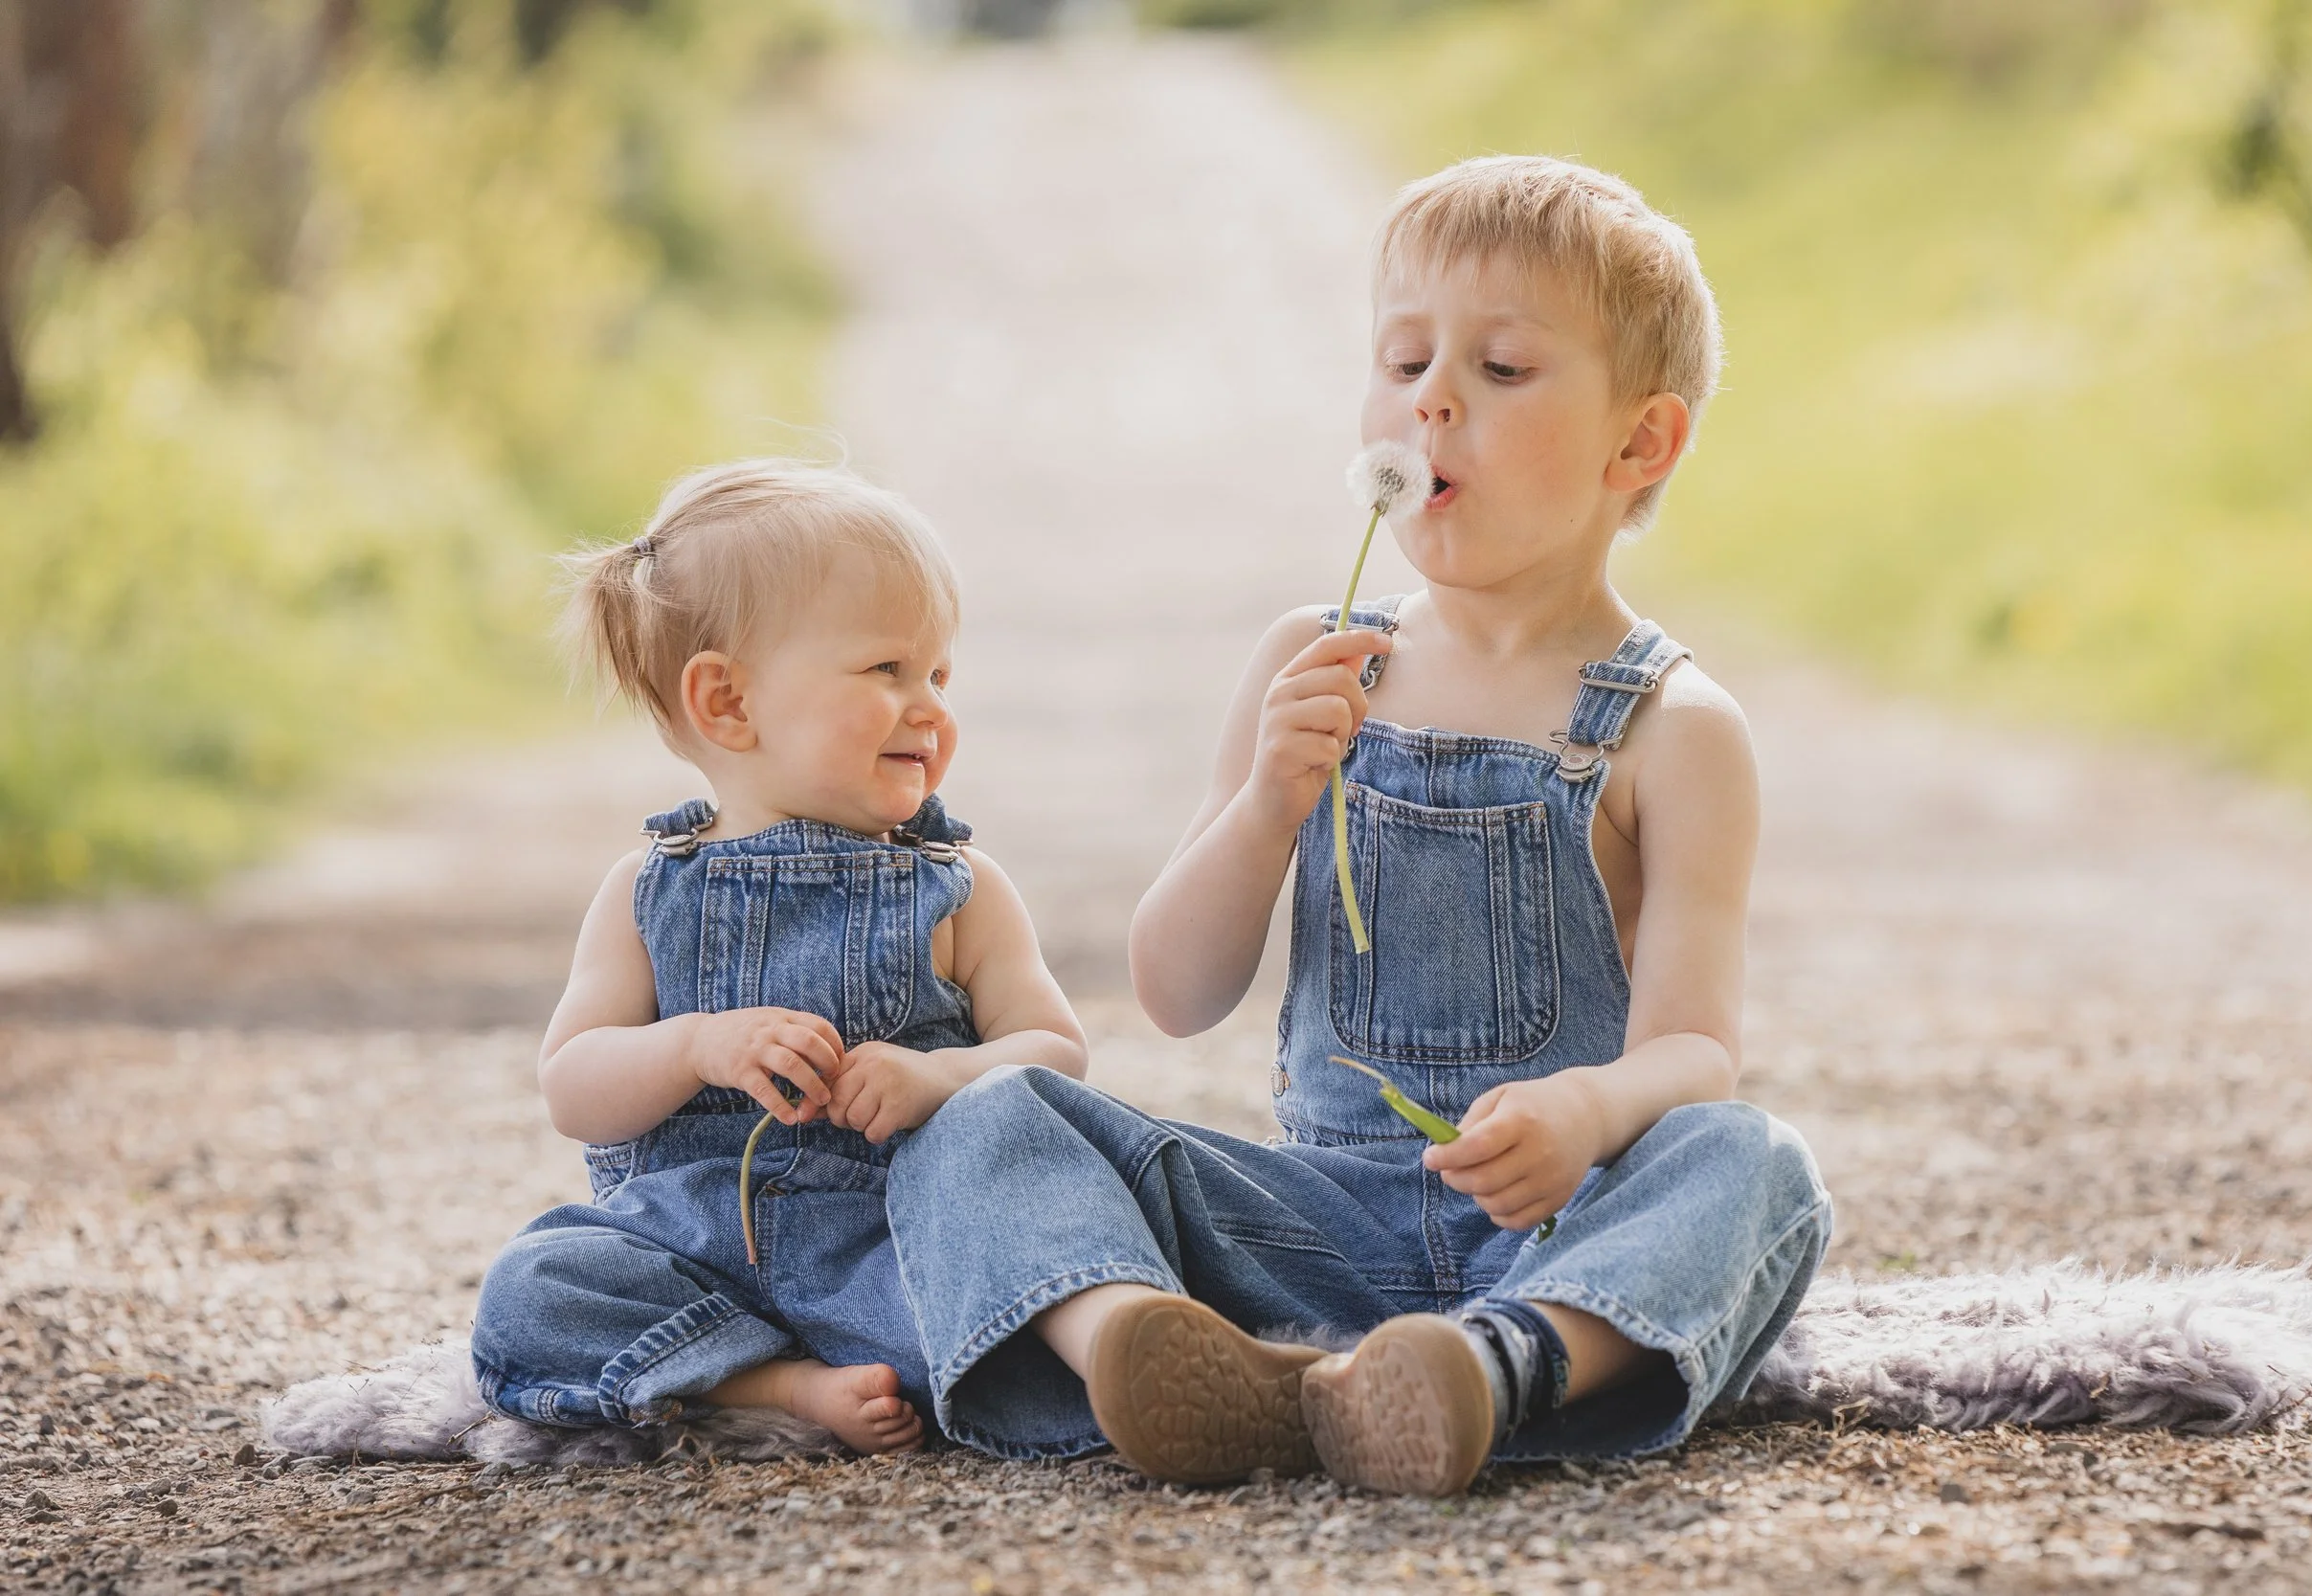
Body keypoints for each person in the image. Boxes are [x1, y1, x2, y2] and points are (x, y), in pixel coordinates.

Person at [884, 156, 1831, 1494]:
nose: (1431, 395)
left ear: (1641, 444)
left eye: (1501, 370)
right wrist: (1270, 797)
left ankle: (1490, 1365)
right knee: (980, 1113)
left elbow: (1692, 1050)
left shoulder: (1676, 729)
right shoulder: (1314, 657)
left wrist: (1587, 1105)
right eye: (1402, 360)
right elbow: (1177, 988)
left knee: (1756, 1167)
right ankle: (1158, 1354)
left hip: (1545, 1225)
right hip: (1314, 1217)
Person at [469, 461, 1086, 1452]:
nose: (928, 705)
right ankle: (777, 1385)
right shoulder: (646, 890)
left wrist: (940, 1074)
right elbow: (574, 1087)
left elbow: (1056, 1052)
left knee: (1027, 1307)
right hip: (682, 1244)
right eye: (887, 670)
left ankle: (795, 1375)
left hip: (882, 1243)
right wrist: (694, 1046)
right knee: (530, 1294)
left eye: (938, 673)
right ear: (727, 703)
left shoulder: (957, 885)